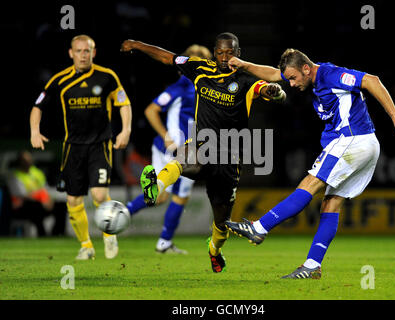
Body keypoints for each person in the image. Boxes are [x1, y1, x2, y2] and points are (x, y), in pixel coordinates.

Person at [225, 48, 395, 279]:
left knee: (310, 183)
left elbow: (372, 80)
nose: (290, 85)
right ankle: (312, 266)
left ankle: (259, 228)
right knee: (330, 204)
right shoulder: (308, 73)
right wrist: (243, 64)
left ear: (306, 69)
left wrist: (394, 116)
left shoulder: (329, 74)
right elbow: (272, 74)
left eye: (292, 78)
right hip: (365, 144)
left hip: (352, 139)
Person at [121, 32, 286, 272]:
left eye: (229, 53)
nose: (224, 57)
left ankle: (214, 250)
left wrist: (274, 92)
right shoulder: (199, 68)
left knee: (221, 223)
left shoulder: (246, 79)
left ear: (238, 54)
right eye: (220, 52)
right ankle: (155, 186)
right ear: (215, 51)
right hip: (203, 144)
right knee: (184, 158)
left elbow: (270, 89)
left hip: (230, 156)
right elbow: (168, 57)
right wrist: (137, 44)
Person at [30, 34, 132, 260]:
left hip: (100, 144)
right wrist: (34, 131)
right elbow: (37, 106)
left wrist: (125, 130)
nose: (83, 55)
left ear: (94, 53)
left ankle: (109, 235)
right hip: (73, 148)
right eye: (79, 51)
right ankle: (86, 246)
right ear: (71, 53)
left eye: (87, 51)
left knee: (98, 194)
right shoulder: (59, 80)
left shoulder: (107, 76)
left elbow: (123, 103)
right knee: (73, 200)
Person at [127, 44, 212, 254]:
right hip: (175, 148)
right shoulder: (183, 87)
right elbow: (150, 110)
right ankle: (161, 240)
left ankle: (122, 213)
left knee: (160, 196)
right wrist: (166, 136)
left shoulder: (200, 87)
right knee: (178, 196)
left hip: (186, 149)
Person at [7, 150, 66, 236]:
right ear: (20, 162)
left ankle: (56, 234)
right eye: (25, 160)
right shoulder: (14, 175)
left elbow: (45, 189)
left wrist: (48, 200)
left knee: (61, 206)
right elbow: (21, 195)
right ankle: (42, 234)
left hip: (42, 203)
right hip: (23, 206)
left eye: (29, 159)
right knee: (35, 206)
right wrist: (41, 199)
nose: (28, 162)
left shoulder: (37, 173)